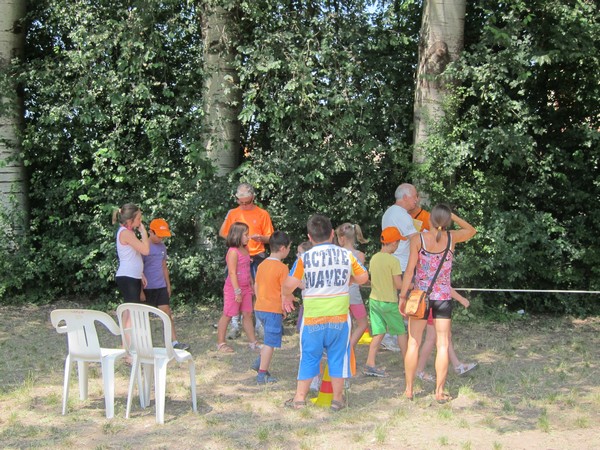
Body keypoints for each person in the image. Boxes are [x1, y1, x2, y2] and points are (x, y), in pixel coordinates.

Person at [282, 214, 369, 411]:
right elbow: (364, 277)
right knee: (338, 357)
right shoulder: (346, 256)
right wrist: (350, 281)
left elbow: (289, 284)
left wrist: (285, 295)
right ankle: (337, 400)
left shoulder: (305, 258)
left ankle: (299, 399)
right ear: (332, 234)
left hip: (313, 318)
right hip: (339, 318)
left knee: (309, 357)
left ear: (309, 237)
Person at [399, 205, 476, 403]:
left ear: (430, 219)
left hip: (420, 297)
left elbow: (409, 272)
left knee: (413, 342)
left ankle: (409, 389)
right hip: (442, 297)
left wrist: (402, 296)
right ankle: (439, 392)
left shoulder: (418, 239)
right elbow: (471, 231)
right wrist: (454, 217)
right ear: (446, 221)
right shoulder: (451, 238)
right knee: (442, 344)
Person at [219, 183, 275, 339]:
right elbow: (224, 233)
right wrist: (237, 244)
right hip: (238, 257)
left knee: (258, 290)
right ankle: (235, 325)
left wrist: (261, 238)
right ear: (237, 199)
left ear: (254, 198)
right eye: (241, 202)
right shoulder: (233, 213)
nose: (244, 205)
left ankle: (260, 325)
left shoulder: (262, 214)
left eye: (247, 202)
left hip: (257, 256)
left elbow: (270, 237)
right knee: (234, 290)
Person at [363, 227, 408, 377]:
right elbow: (399, 285)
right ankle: (408, 363)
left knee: (379, 332)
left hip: (374, 301)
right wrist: (411, 285)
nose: (398, 246)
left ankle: (370, 363)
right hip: (389, 302)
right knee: (401, 332)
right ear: (393, 243)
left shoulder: (374, 258)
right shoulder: (393, 261)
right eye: (398, 242)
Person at [251, 231, 294, 384]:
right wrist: (284, 308)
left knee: (269, 339)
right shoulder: (282, 268)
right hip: (272, 310)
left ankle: (259, 363)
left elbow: (256, 285)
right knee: (270, 343)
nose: (289, 250)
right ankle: (262, 374)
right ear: (283, 248)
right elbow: (285, 291)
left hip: (260, 308)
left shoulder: (262, 265)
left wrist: (259, 300)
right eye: (289, 247)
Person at [380, 183, 419, 352]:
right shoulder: (402, 215)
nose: (416, 200)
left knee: (396, 301)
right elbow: (415, 238)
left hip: (393, 263)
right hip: (402, 265)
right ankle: (392, 337)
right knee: (403, 301)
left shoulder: (390, 212)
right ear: (405, 197)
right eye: (414, 196)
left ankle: (395, 335)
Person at [141, 218, 189, 351]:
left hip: (160, 286)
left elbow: (164, 266)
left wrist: (168, 285)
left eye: (163, 236)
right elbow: (139, 268)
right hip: (146, 288)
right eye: (159, 235)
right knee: (142, 317)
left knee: (167, 314)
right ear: (151, 232)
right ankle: (143, 344)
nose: (161, 238)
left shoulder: (162, 247)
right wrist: (140, 290)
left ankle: (174, 342)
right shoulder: (143, 246)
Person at [216, 222, 260, 353]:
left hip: (246, 287)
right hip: (234, 289)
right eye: (246, 234)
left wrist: (251, 283)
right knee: (228, 315)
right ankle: (221, 343)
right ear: (237, 235)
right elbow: (232, 272)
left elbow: (247, 269)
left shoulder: (245, 249)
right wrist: (237, 291)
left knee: (247, 314)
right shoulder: (233, 252)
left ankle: (253, 342)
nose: (248, 237)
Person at [335, 223, 369, 351]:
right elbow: (360, 277)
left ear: (342, 238)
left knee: (345, 324)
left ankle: (344, 348)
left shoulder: (336, 254)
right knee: (362, 323)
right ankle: (349, 348)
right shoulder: (359, 255)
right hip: (353, 294)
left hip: (339, 294)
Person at [113, 203, 150, 303]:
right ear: (130, 221)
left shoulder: (129, 233)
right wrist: (143, 232)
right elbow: (145, 250)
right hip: (128, 276)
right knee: (132, 309)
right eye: (138, 218)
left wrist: (140, 273)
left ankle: (125, 319)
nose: (140, 221)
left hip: (133, 275)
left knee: (130, 309)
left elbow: (133, 255)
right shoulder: (125, 233)